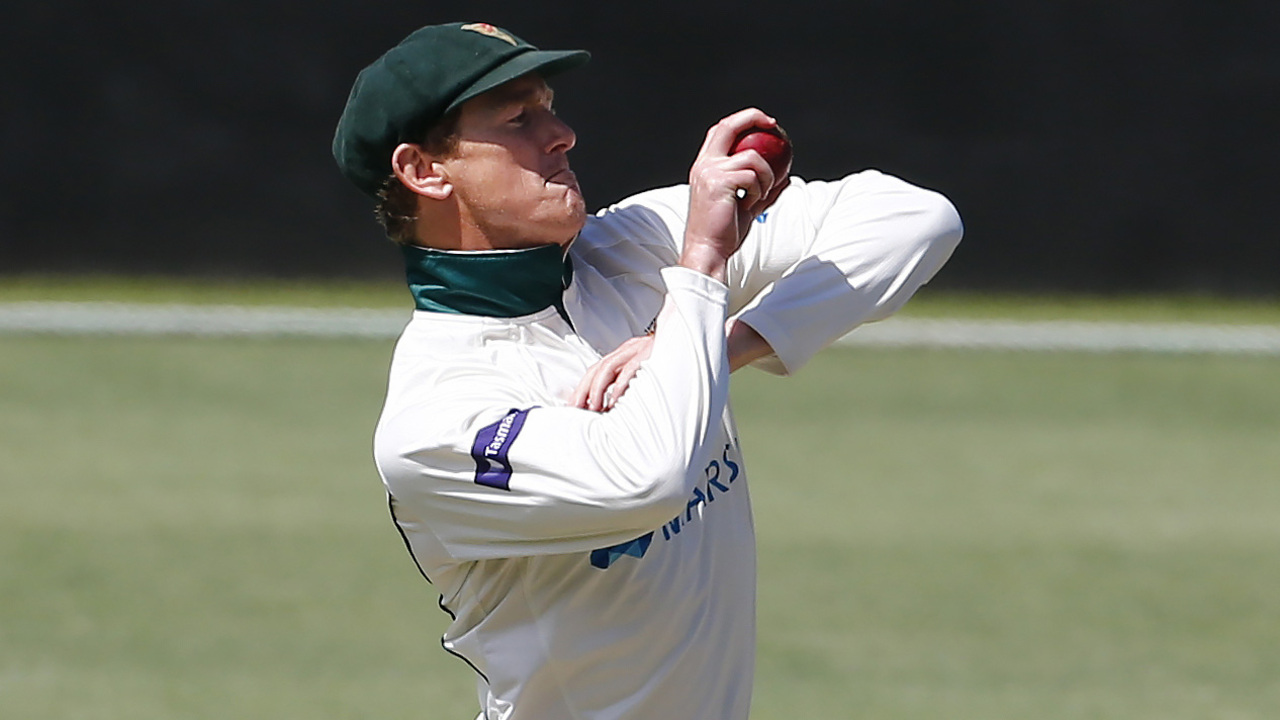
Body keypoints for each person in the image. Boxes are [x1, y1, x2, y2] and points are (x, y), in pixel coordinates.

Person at [333, 21, 962, 720]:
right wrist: (698, 271)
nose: (561, 133)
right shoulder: (438, 414)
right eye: (518, 118)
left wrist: (721, 343)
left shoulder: (627, 246)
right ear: (424, 171)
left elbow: (916, 218)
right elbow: (649, 479)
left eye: (549, 106)